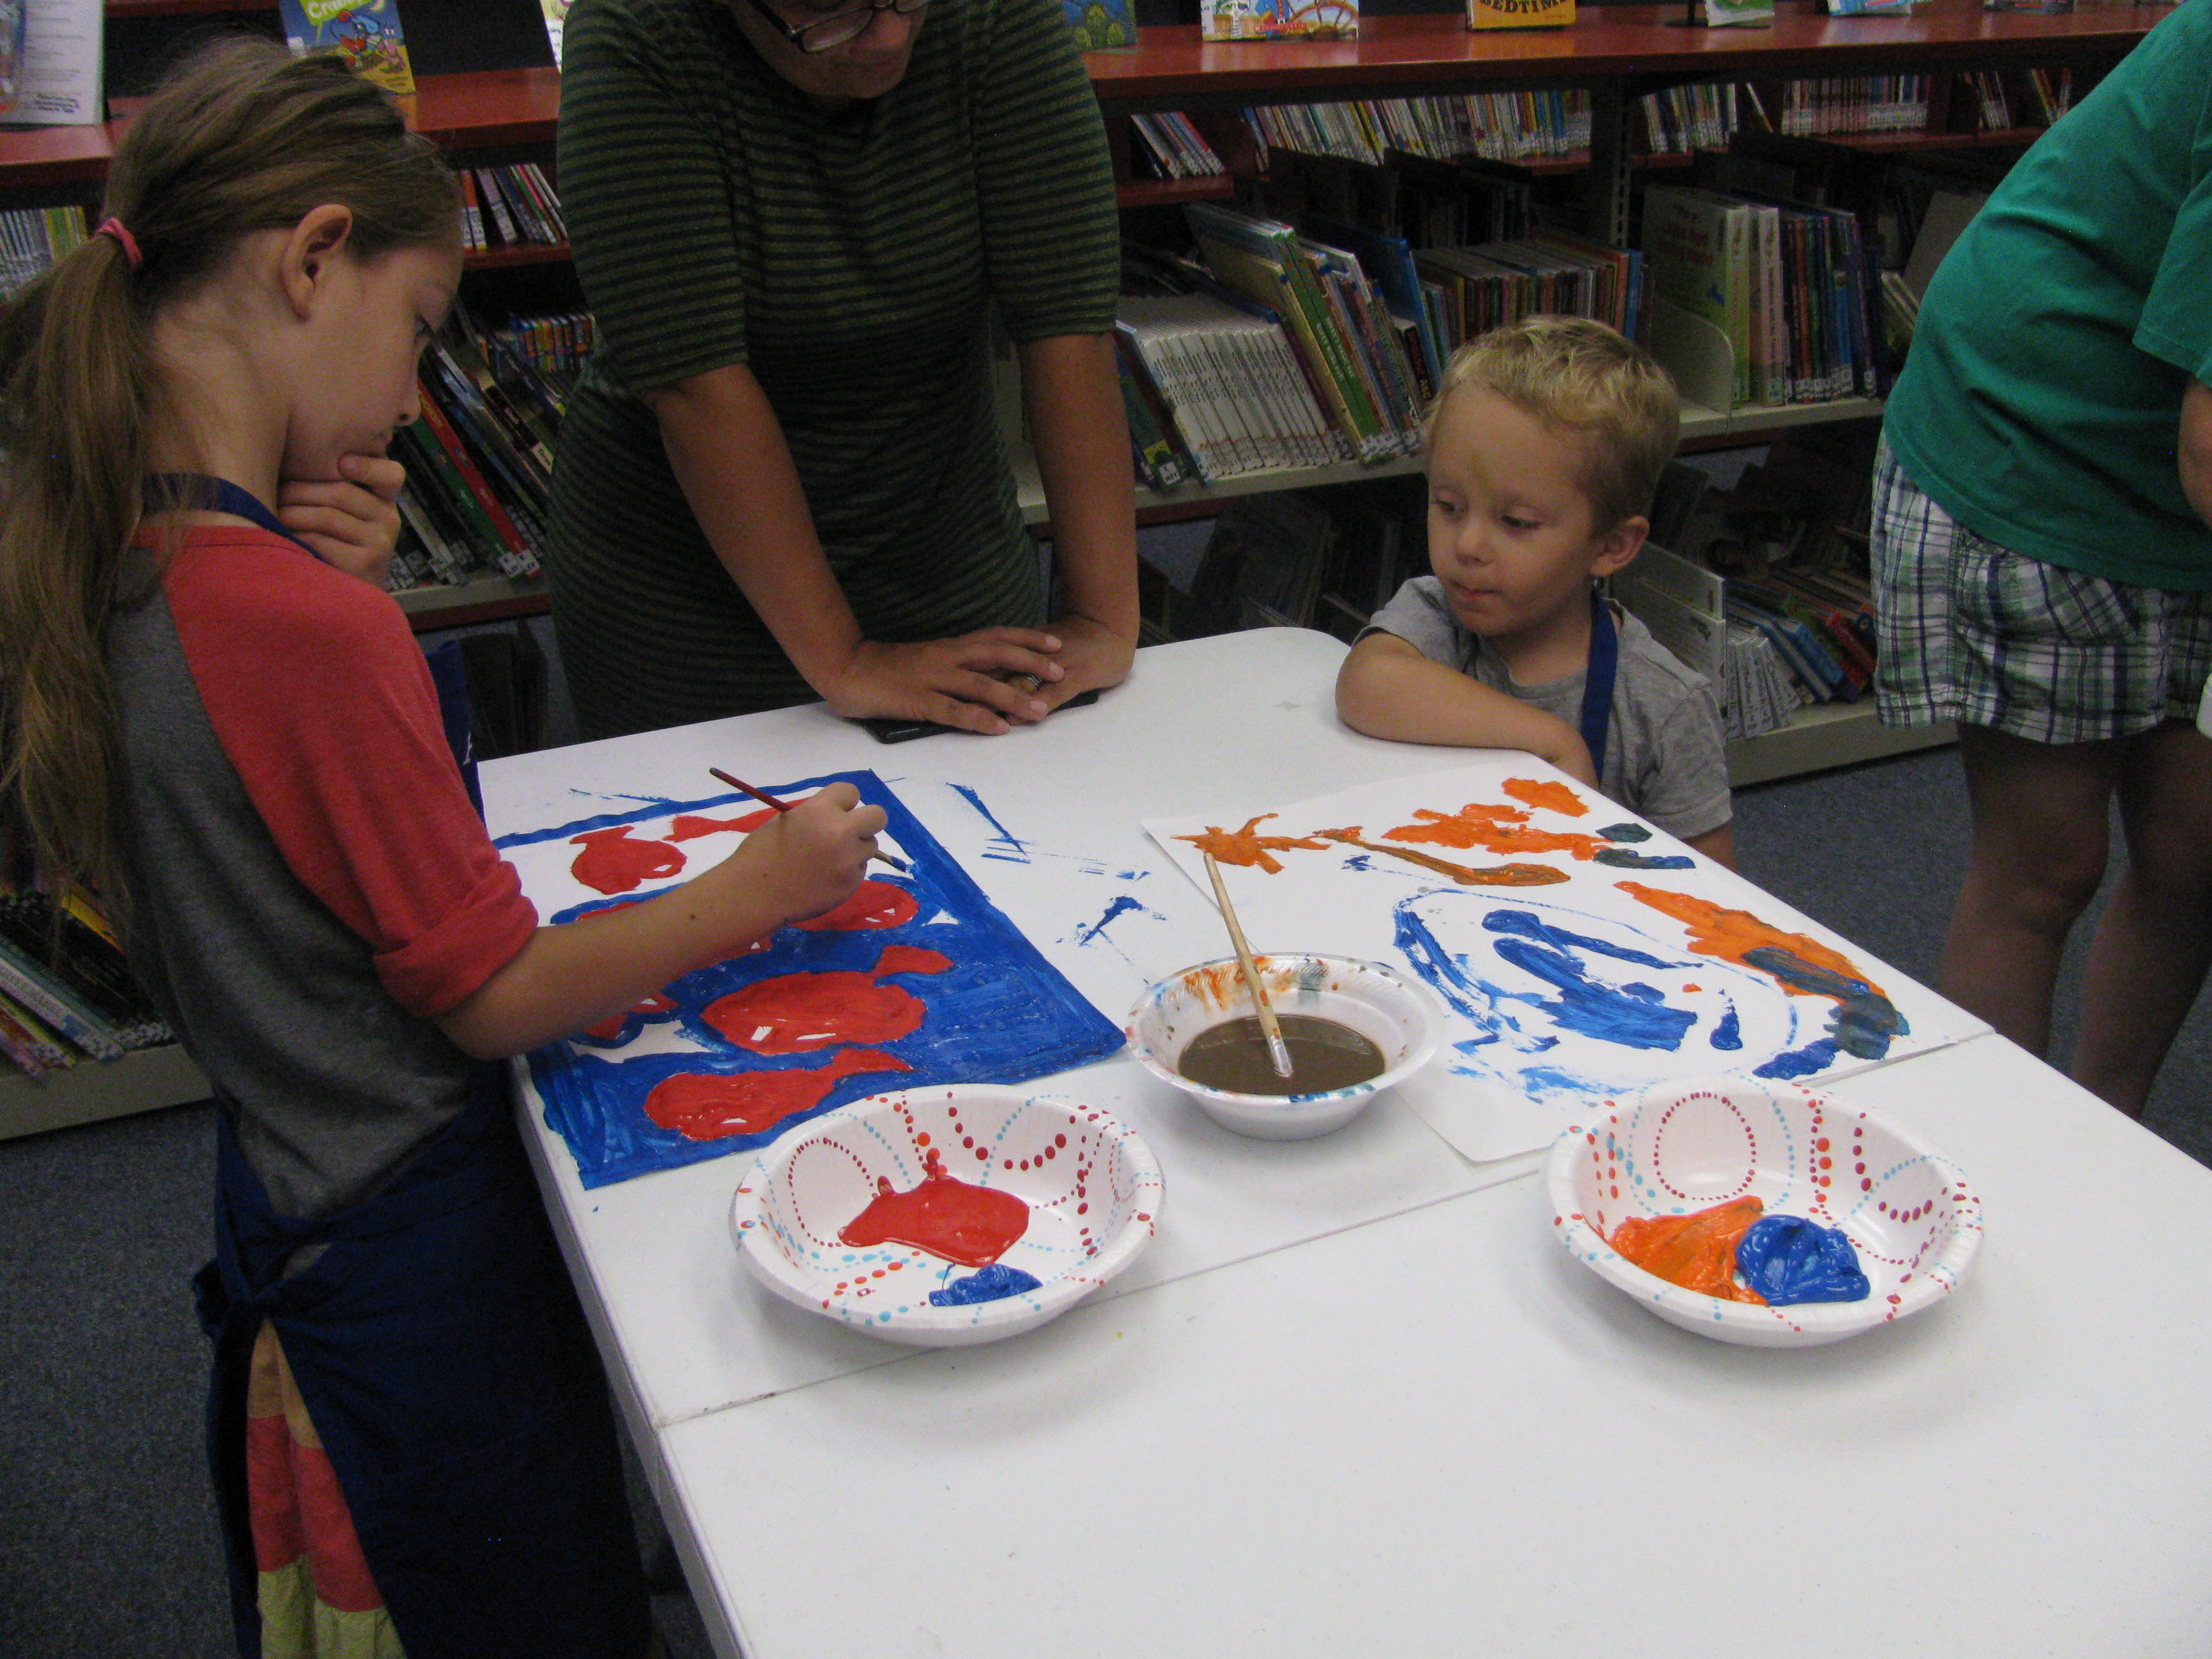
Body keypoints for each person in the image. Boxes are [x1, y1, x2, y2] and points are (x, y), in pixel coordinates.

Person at [0, 41, 886, 1659]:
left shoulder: (105, 539)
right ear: (311, 258)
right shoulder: (292, 626)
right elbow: (488, 992)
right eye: (416, 330)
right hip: (414, 1244)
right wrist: (759, 889)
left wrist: (328, 589)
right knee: (525, 1605)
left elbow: (297, 837)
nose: (414, 397)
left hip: (288, 1182)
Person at [546, 0, 1139, 741]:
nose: (888, 35)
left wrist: (1103, 618)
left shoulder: (992, 15)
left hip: (947, 547)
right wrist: (843, 661)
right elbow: (693, 382)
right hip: (697, 595)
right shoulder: (636, 27)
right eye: (833, 17)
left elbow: (1067, 320)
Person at [1872, 0, 2212, 1117]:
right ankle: (2005, 1164)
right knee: (2045, 867)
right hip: (2036, 442)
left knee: (2196, 853)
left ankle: (2110, 1132)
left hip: (2171, 470)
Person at [1336, 316, 1735, 866]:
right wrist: (1552, 741)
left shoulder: (1662, 704)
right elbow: (1367, 684)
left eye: (1517, 522)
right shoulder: (1436, 614)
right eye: (1449, 506)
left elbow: (1711, 887)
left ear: (1612, 545)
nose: (1467, 545)